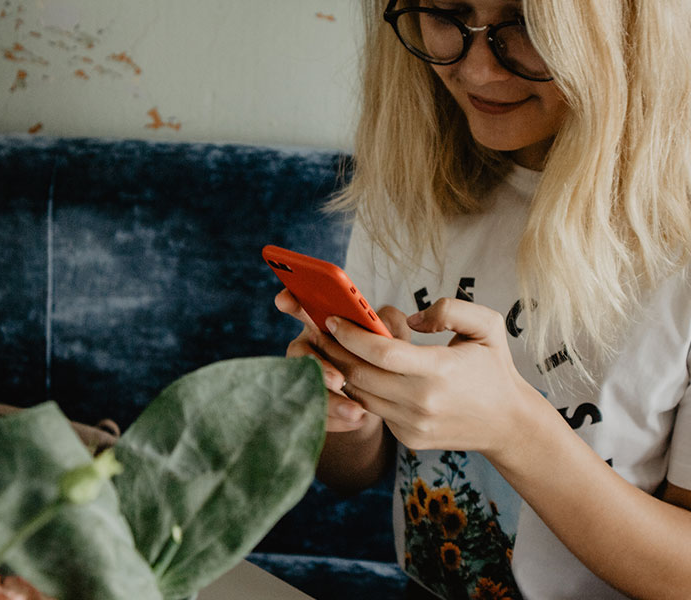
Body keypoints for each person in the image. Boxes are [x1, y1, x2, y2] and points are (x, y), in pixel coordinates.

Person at [275, 0, 691, 598]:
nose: (476, 72)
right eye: (443, 13)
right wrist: (346, 413)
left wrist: (516, 429)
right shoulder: (410, 187)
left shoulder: (673, 243)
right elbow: (352, 474)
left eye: (527, 25)